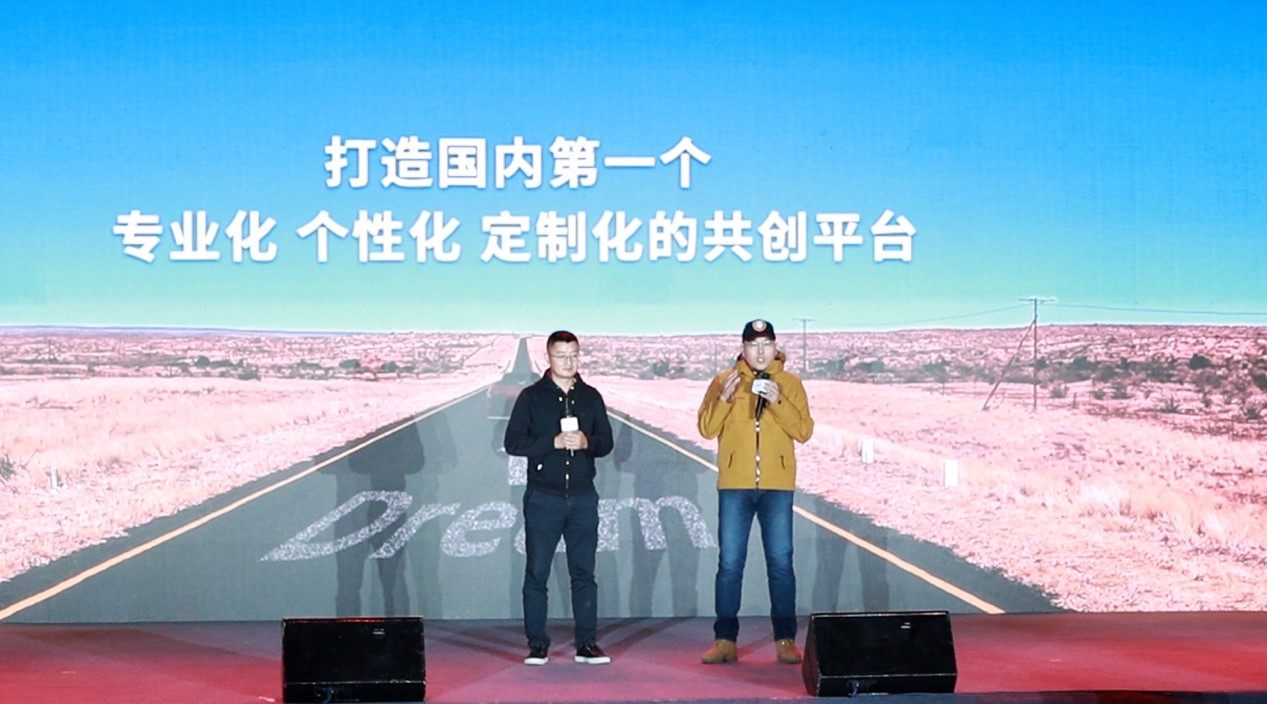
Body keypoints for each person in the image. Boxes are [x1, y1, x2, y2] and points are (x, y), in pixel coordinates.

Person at [697, 319, 814, 665]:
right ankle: (724, 640)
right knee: (730, 563)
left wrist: (778, 401)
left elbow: (804, 431)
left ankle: (785, 639)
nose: (760, 352)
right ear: (743, 348)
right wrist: (724, 399)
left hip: (777, 487)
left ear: (775, 347)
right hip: (735, 486)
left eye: (766, 345)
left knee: (781, 562)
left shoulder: (791, 384)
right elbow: (706, 428)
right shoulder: (724, 380)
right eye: (753, 345)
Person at [504, 330, 615, 666]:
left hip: (583, 498)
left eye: (573, 355)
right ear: (548, 358)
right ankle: (538, 644)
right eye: (561, 356)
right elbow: (513, 443)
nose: (568, 362)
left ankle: (587, 644)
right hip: (544, 498)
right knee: (537, 572)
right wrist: (550, 443)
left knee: (584, 574)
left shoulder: (591, 397)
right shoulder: (531, 397)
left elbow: (606, 442)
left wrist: (586, 443)